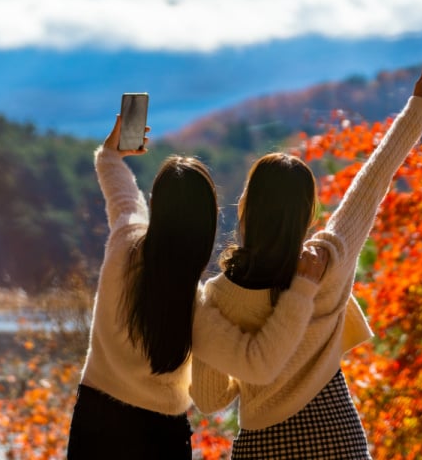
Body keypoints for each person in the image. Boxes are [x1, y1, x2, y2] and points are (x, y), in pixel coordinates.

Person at [191, 61, 422, 459]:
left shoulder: (218, 296)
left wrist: (246, 362)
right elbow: (372, 183)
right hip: (336, 434)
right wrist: (420, 107)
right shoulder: (327, 259)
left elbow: (209, 398)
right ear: (308, 213)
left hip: (263, 447)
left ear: (247, 207)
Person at [67, 111, 331, 460]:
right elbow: (260, 364)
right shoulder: (195, 308)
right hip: (159, 439)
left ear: (156, 207)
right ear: (206, 227)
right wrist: (302, 291)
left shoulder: (125, 240)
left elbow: (119, 189)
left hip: (94, 423)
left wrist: (111, 152)